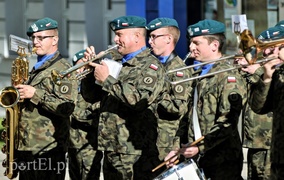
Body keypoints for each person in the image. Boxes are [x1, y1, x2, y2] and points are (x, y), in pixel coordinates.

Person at [81, 15, 167, 180]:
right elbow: (90, 97)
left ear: (136, 37)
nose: (115, 39)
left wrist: (107, 79)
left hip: (134, 152)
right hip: (111, 146)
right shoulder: (115, 62)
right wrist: (90, 74)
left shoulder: (150, 66)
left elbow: (138, 100)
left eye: (120, 34)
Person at [165, 19, 247, 180]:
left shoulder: (228, 75)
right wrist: (176, 149)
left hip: (222, 160)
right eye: (191, 43)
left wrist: (200, 147)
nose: (191, 48)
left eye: (196, 43)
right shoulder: (198, 74)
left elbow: (228, 121)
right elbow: (187, 116)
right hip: (198, 158)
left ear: (214, 45)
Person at [14, 17, 78, 180]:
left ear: (55, 39)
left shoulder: (63, 69)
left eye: (41, 38)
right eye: (33, 38)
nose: (35, 42)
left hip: (48, 149)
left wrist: (34, 93)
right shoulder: (36, 68)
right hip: (27, 147)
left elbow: (67, 108)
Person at [133, 17, 193, 179]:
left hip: (164, 147)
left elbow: (179, 109)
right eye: (149, 37)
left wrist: (156, 95)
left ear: (168, 39)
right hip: (143, 143)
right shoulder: (149, 65)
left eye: (154, 37)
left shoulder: (179, 70)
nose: (150, 41)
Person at [249, 25, 284, 180]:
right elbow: (259, 107)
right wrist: (267, 77)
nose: (274, 53)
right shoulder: (278, 73)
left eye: (280, 47)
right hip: (278, 156)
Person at [68, 49, 103, 180]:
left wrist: (70, 112)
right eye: (78, 66)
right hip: (72, 142)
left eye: (84, 66)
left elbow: (93, 114)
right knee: (74, 174)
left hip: (88, 144)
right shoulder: (72, 85)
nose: (81, 70)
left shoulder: (95, 88)